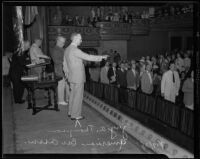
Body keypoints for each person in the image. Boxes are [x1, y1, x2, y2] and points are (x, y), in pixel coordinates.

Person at [63, 33, 108, 120]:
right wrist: (102, 57)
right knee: (78, 96)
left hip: (71, 76)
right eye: (80, 39)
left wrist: (67, 74)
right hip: (78, 76)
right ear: (75, 38)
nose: (81, 41)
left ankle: (70, 112)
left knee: (72, 95)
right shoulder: (75, 50)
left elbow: (64, 64)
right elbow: (88, 57)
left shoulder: (67, 49)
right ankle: (76, 115)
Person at [50, 36, 69, 106]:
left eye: (64, 42)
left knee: (67, 84)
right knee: (61, 85)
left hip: (64, 69)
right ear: (58, 41)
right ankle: (60, 100)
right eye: (62, 42)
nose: (63, 44)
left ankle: (67, 98)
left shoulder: (61, 48)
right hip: (59, 69)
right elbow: (56, 61)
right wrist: (65, 61)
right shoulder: (55, 49)